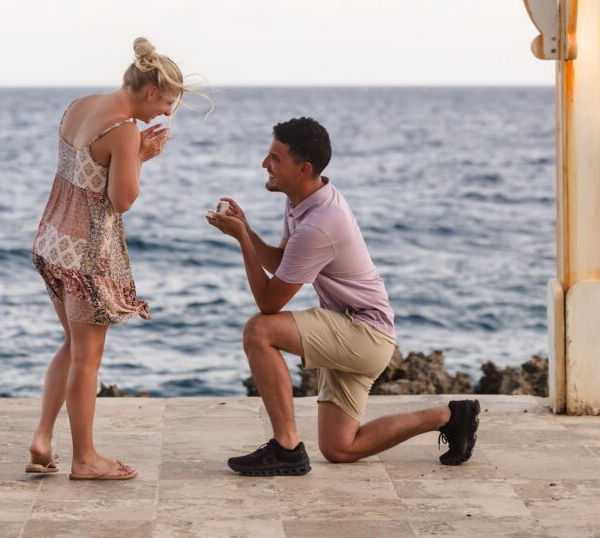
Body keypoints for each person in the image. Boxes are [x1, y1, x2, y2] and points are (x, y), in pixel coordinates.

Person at [206, 117, 479, 475]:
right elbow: (284, 263)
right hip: (354, 329)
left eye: (274, 158)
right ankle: (450, 416)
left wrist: (242, 240)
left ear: (303, 168)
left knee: (259, 330)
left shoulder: (320, 222)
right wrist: (247, 231)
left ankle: (286, 447)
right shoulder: (303, 200)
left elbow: (269, 304)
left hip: (363, 333)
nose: (264, 164)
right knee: (340, 449)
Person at [28, 37, 193, 481]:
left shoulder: (80, 104)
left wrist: (132, 154)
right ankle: (85, 458)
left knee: (72, 345)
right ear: (152, 92)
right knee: (87, 358)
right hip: (85, 257)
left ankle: (43, 439)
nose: (166, 113)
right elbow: (121, 199)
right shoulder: (124, 129)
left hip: (50, 243)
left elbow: (84, 170)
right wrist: (140, 156)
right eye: (169, 103)